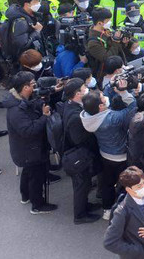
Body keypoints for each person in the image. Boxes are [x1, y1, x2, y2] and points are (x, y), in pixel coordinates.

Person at [82, 82, 139, 219]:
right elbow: (132, 107)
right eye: (103, 98)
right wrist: (124, 92)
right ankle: (125, 211)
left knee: (107, 184)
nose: (105, 98)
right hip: (121, 156)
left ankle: (107, 209)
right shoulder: (112, 118)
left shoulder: (86, 116)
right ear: (101, 106)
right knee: (126, 183)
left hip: (104, 154)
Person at [5, 71, 57, 214]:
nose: (35, 87)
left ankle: (25, 196)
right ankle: (37, 205)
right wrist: (45, 116)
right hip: (29, 150)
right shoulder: (16, 111)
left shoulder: (19, 100)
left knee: (28, 173)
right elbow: (28, 130)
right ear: (25, 87)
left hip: (26, 150)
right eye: (33, 84)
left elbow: (33, 103)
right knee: (36, 177)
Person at [102, 166, 144, 259]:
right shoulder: (121, 212)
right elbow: (110, 242)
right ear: (129, 190)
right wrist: (137, 251)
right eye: (139, 186)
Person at [61, 77, 101, 224]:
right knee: (81, 185)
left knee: (83, 184)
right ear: (77, 94)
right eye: (84, 89)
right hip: (78, 156)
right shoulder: (76, 116)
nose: (87, 91)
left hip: (75, 153)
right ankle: (80, 215)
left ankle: (85, 205)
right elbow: (78, 139)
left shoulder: (70, 105)